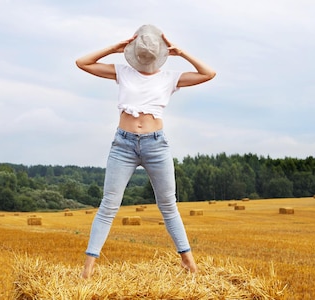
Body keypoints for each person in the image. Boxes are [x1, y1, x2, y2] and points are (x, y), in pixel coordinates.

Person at [75, 24, 216, 279]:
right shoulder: (122, 72)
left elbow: (209, 73)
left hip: (156, 145)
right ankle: (88, 269)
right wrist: (114, 48)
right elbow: (81, 62)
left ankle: (189, 263)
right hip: (123, 145)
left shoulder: (170, 77)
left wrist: (181, 53)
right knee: (108, 205)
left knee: (168, 206)